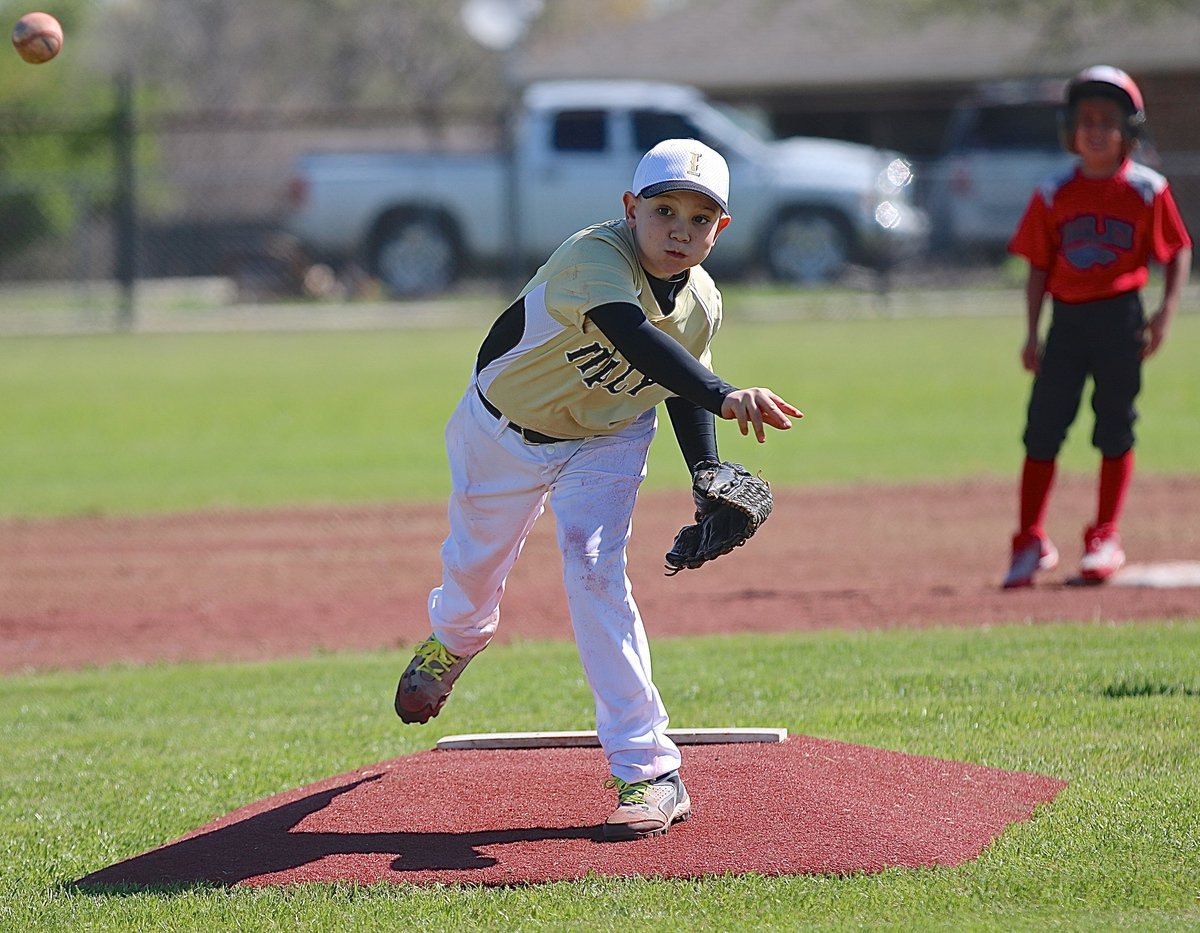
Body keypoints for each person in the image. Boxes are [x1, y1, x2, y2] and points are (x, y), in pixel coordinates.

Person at [393, 139, 802, 840]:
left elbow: (675, 377)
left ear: (721, 230)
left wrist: (706, 472)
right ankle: (455, 640)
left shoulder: (702, 300)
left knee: (594, 572)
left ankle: (649, 772)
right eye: (664, 209)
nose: (680, 229)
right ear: (629, 209)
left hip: (608, 437)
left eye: (701, 218)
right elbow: (636, 337)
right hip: (502, 430)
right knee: (472, 568)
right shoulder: (593, 256)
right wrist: (727, 394)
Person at [1002, 66, 1192, 589]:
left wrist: (1164, 314)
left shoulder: (1149, 190)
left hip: (1120, 316)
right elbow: (1039, 265)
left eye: (1108, 120)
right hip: (1067, 321)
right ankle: (1029, 539)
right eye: (1086, 119)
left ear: (1129, 128)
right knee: (1042, 428)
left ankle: (1104, 534)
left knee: (1114, 425)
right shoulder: (1052, 192)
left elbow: (1176, 251)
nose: (1096, 130)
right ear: (1070, 128)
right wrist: (1031, 332)